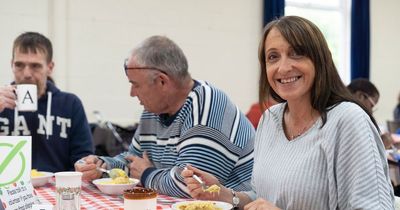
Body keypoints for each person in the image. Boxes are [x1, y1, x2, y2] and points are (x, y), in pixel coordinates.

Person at [182, 16, 394, 210]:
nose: (283, 68)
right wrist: (225, 194)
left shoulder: (348, 120)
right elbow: (262, 196)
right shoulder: (270, 119)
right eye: (273, 57)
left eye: (296, 53)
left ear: (320, 60)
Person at [75, 35, 255, 198]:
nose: (132, 93)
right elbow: (133, 162)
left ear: (162, 81)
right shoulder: (153, 111)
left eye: (135, 85)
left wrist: (146, 174)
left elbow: (191, 186)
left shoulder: (208, 106)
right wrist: (102, 167)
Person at [0, 32, 94, 172]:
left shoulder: (70, 104)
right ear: (11, 65)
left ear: (50, 68)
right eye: (19, 65)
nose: (26, 73)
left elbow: (83, 157)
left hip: (56, 188)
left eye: (35, 66)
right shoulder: (2, 102)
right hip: (7, 187)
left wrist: (88, 166)